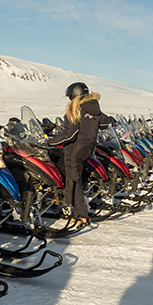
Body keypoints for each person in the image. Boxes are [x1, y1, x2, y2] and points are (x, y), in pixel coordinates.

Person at [47, 82, 111, 227]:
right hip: (88, 148)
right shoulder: (94, 107)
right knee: (61, 165)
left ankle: (81, 214)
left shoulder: (76, 109)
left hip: (75, 150)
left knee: (74, 180)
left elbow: (70, 135)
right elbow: (105, 123)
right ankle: (63, 195)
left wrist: (49, 142)